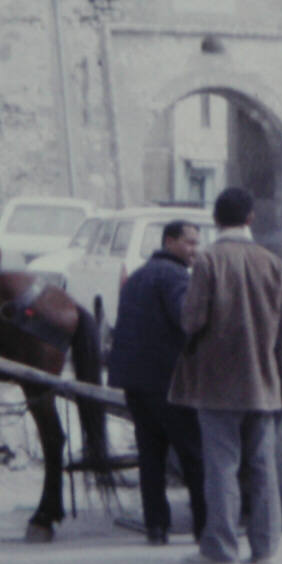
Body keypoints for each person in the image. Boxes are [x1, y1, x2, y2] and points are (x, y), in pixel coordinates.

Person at [169, 187, 282, 564]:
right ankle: (265, 548)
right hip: (263, 383)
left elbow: (191, 320)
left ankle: (221, 548)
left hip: (217, 384)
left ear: (214, 220)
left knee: (221, 468)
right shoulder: (272, 262)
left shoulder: (207, 261)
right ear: (250, 219)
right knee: (262, 468)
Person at [107, 220, 207, 545]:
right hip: (167, 381)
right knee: (193, 454)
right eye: (189, 243)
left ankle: (157, 526)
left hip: (135, 382)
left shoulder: (137, 276)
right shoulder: (176, 277)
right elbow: (185, 320)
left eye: (196, 244)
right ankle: (205, 526)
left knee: (151, 457)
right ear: (169, 241)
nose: (195, 251)